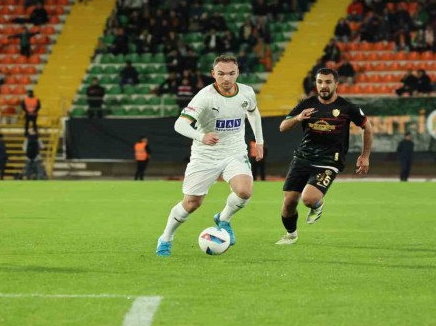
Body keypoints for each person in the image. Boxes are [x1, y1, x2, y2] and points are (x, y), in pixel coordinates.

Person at [155, 55, 264, 257]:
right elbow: (179, 124)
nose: (226, 78)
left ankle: (223, 219)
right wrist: (201, 136)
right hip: (205, 155)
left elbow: (253, 112)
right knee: (192, 203)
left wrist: (259, 141)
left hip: (234, 151)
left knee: (244, 191)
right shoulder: (205, 97)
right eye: (221, 74)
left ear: (238, 73)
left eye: (231, 73)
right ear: (213, 74)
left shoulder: (247, 92)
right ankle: (166, 238)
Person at [276, 68, 373, 245]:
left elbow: (367, 127)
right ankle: (291, 234)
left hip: (329, 160)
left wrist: (365, 156)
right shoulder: (307, 104)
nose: (323, 86)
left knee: (308, 198)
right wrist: (298, 117)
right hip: (303, 157)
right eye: (320, 82)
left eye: (328, 82)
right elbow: (283, 127)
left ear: (336, 84)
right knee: (289, 202)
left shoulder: (347, 107)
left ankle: (317, 204)